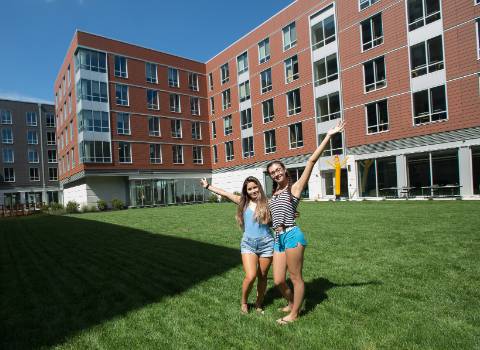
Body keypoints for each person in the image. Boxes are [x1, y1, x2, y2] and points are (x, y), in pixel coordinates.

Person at [267, 120, 345, 325]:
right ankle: (293, 302)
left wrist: (328, 136)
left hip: (292, 235)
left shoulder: (295, 188)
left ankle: (294, 313)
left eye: (278, 169)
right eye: (272, 172)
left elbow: (310, 161)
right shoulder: (274, 193)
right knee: (277, 280)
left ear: (284, 169)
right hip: (278, 238)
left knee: (295, 277)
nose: (276, 173)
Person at [200, 176, 273, 314]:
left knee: (262, 276)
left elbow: (280, 213)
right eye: (249, 189)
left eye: (255, 187)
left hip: (267, 244)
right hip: (248, 244)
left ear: (259, 187)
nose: (253, 191)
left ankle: (258, 303)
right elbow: (225, 193)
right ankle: (244, 302)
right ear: (246, 191)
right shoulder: (242, 202)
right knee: (251, 276)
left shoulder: (267, 203)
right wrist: (207, 186)